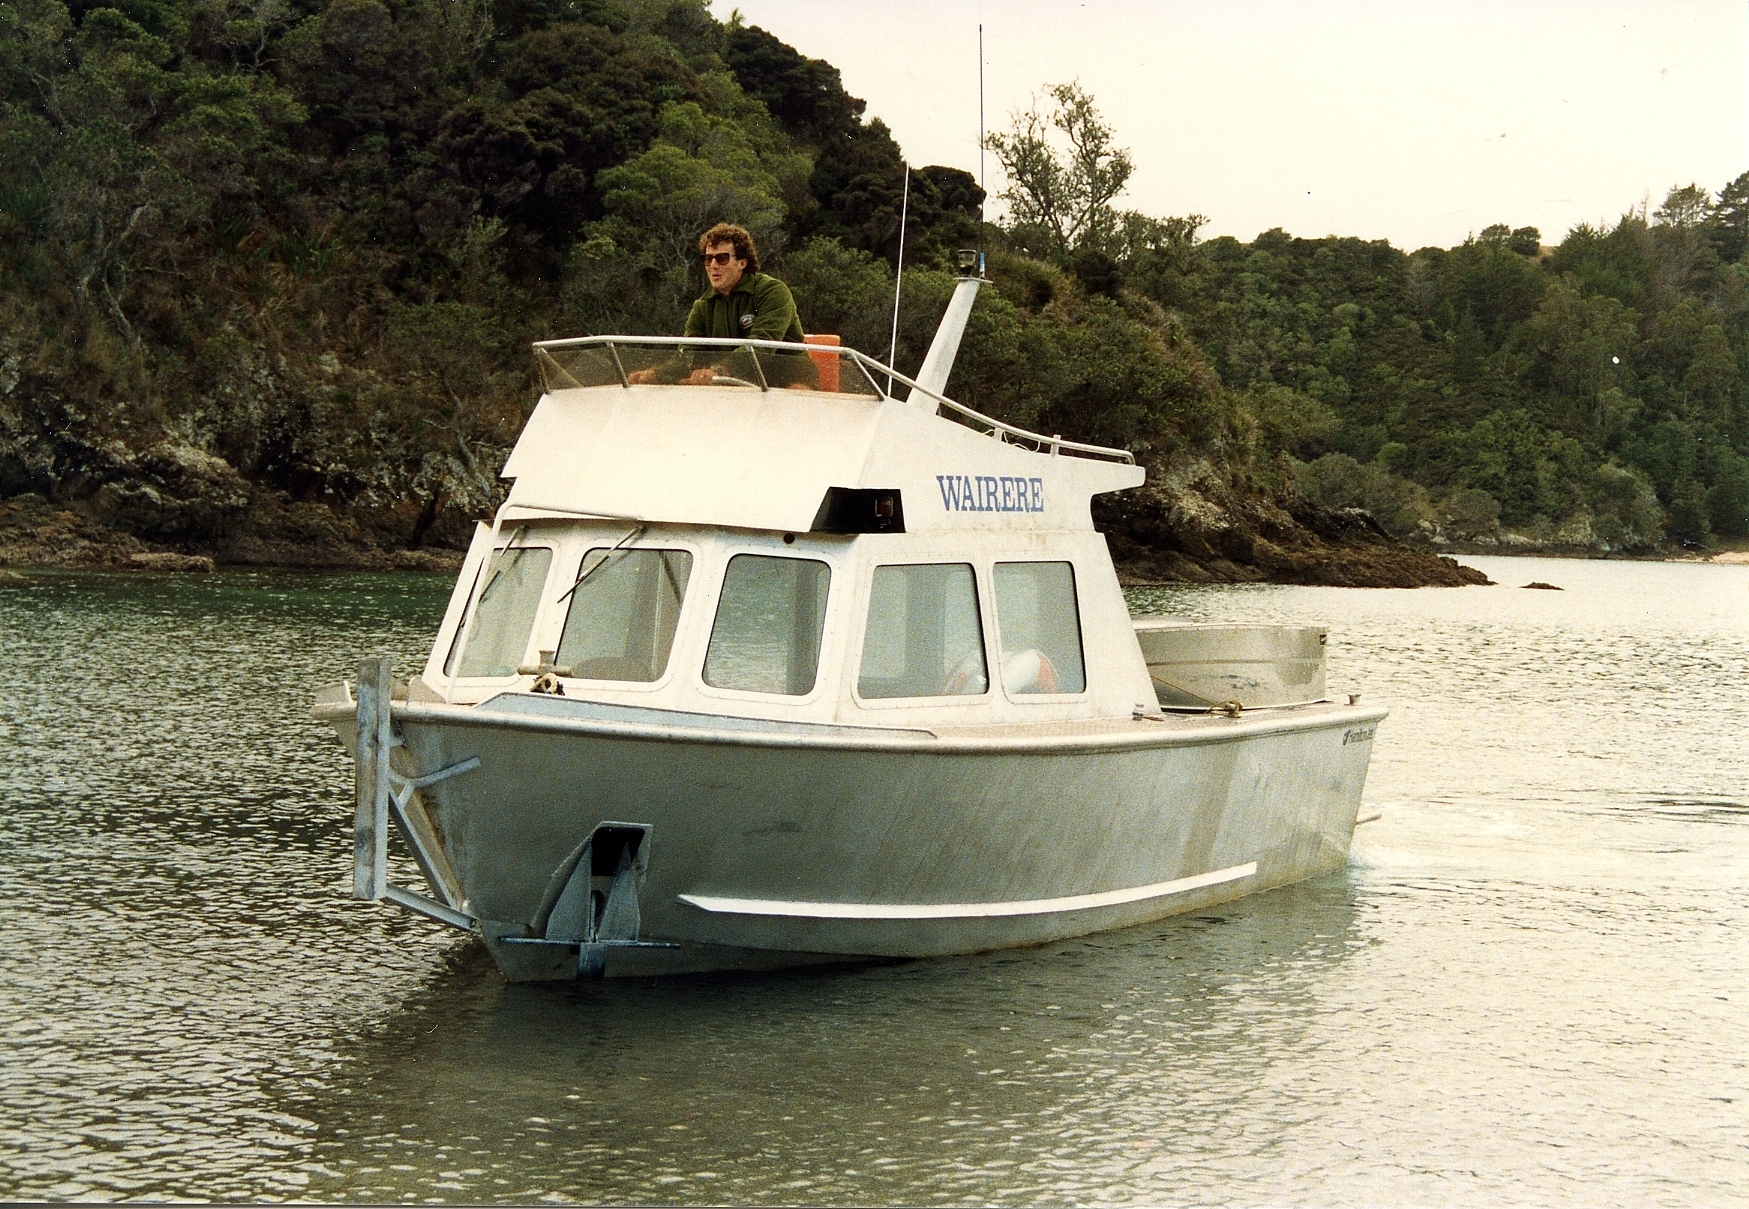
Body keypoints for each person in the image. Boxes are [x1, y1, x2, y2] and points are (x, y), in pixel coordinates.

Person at [627, 223, 816, 387]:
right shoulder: (703, 306)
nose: (713, 265)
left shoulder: (773, 291)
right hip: (731, 384)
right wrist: (655, 374)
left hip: (787, 382)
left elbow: (763, 344)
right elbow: (689, 355)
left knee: (796, 394)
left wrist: (720, 370)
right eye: (708, 259)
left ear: (742, 262)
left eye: (722, 258)